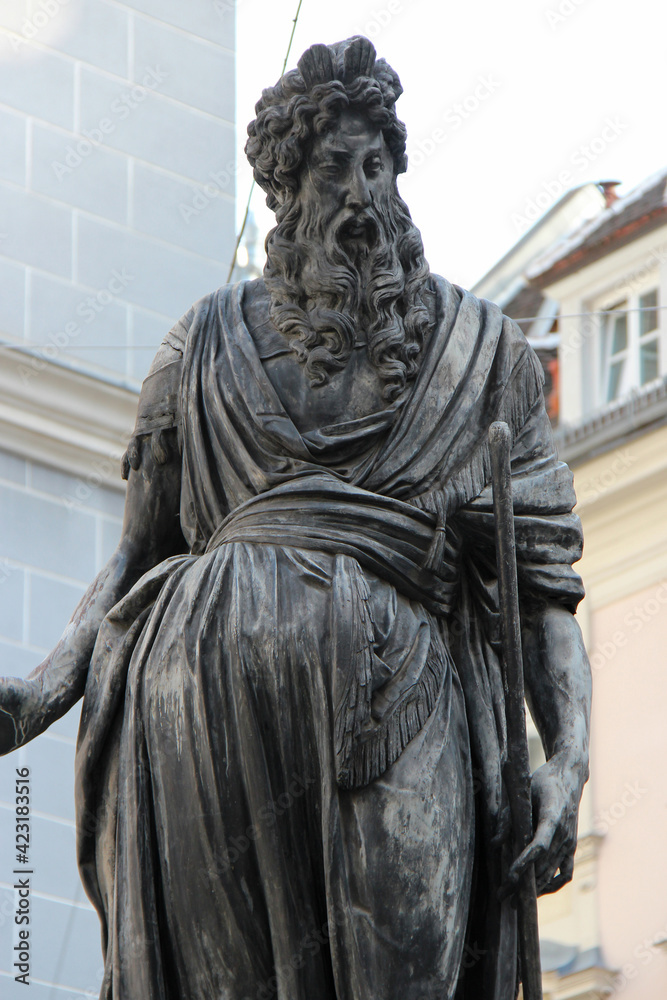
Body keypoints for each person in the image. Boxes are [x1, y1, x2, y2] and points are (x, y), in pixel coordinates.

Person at [0, 37, 591, 1000]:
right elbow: (136, 555)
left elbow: (545, 593)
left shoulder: (485, 353)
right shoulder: (201, 345)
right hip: (199, 712)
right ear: (286, 194)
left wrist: (563, 763)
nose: (361, 197)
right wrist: (43, 687)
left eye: (377, 165)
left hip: (396, 702)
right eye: (333, 171)